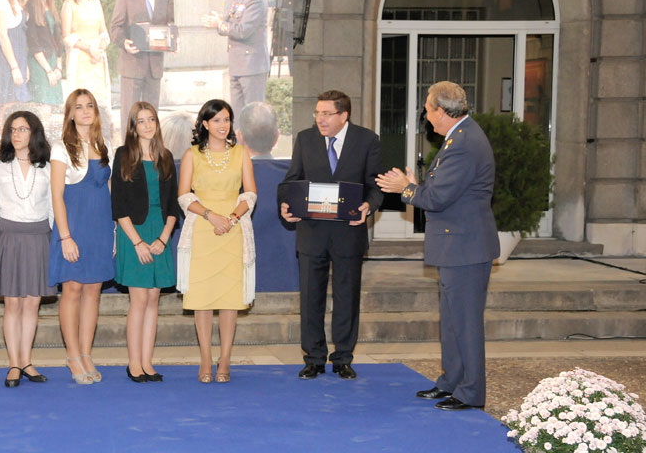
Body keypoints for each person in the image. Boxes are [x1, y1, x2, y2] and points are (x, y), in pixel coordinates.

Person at [376, 81, 499, 410]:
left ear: (442, 112)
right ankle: (452, 382)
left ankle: (471, 392)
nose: (426, 116)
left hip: (465, 248)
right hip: (458, 246)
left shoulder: (464, 143)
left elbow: (438, 198)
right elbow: (443, 189)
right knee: (452, 320)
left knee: (466, 323)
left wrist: (406, 189)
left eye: (428, 109)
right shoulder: (458, 137)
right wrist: (415, 185)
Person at [279, 90, 383, 381]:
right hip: (312, 233)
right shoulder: (305, 139)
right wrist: (285, 206)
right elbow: (291, 181)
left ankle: (343, 358)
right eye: (317, 113)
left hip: (348, 233)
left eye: (326, 114)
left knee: (347, 296)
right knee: (311, 297)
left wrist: (368, 206)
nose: (319, 119)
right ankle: (313, 358)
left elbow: (374, 186)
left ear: (343, 116)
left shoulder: (367, 140)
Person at [176, 99, 256, 383]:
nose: (224, 125)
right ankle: (206, 360)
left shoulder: (241, 154)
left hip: (232, 232)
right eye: (218, 120)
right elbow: (184, 195)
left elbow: (250, 195)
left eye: (227, 120)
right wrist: (211, 216)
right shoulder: (191, 155)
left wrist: (231, 219)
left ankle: (225, 360)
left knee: (229, 301)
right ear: (206, 124)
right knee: (202, 300)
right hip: (203, 230)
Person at [49, 89, 115, 384]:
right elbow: (57, 196)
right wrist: (65, 237)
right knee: (72, 291)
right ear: (71, 113)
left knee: (93, 292)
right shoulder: (61, 148)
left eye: (90, 106)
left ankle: (86, 353)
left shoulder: (106, 144)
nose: (86, 111)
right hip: (73, 228)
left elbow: (111, 192)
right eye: (79, 107)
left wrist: (112, 233)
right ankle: (73, 355)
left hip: (100, 229)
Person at [111, 102, 179, 383]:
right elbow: (118, 205)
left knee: (154, 298)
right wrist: (138, 242)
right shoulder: (123, 155)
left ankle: (148, 363)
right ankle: (134, 363)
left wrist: (163, 238)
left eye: (152, 119)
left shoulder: (166, 156)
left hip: (160, 233)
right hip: (133, 233)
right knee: (139, 299)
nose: (148, 125)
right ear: (133, 127)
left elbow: (174, 205)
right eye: (141, 121)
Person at [0, 111, 54, 387]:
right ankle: (14, 363)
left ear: (34, 133)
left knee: (32, 302)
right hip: (9, 236)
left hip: (39, 237)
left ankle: (27, 361)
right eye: (12, 130)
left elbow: (51, 210)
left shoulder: (48, 167)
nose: (16, 135)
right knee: (13, 303)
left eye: (23, 129)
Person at [109, 0, 175, 132]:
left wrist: (174, 41)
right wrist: (124, 42)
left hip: (154, 67)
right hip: (132, 64)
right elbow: (115, 27)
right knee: (130, 115)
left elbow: (170, 25)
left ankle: (150, 153)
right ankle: (127, 154)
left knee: (151, 116)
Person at [202, 0, 270, 117]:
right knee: (238, 116)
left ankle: (253, 144)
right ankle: (238, 143)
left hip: (251, 67)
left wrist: (219, 24)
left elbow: (242, 30)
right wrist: (218, 21)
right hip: (238, 65)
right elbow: (228, 21)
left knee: (254, 116)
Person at [61, 0, 111, 121]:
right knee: (81, 102)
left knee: (98, 103)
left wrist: (100, 50)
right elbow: (68, 36)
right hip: (80, 60)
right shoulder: (69, 4)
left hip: (97, 60)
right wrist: (89, 49)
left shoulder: (96, 3)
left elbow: (103, 32)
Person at [24, 0, 64, 106]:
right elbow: (33, 43)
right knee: (43, 107)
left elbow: (58, 40)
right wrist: (48, 70)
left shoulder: (50, 6)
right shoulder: (30, 6)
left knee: (54, 107)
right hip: (40, 64)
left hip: (53, 61)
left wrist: (59, 67)